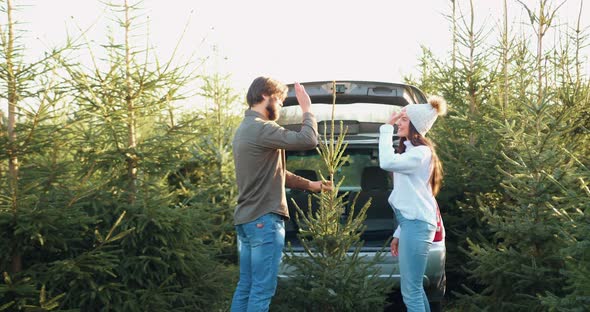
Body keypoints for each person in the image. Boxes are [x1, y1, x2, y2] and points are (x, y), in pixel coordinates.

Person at [231, 77, 332, 312]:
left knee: (246, 286)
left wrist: (311, 185)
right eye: (281, 100)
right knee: (261, 290)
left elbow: (277, 171)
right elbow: (309, 139)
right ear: (266, 96)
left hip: (247, 220)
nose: (281, 106)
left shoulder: (245, 129)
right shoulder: (262, 128)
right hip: (264, 221)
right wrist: (307, 109)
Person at [378, 96, 447, 312]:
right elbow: (410, 197)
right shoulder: (411, 152)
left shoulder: (420, 153)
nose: (399, 122)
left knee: (411, 291)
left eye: (404, 119)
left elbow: (386, 162)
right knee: (414, 290)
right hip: (411, 223)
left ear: (416, 125)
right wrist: (400, 232)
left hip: (417, 225)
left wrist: (386, 128)